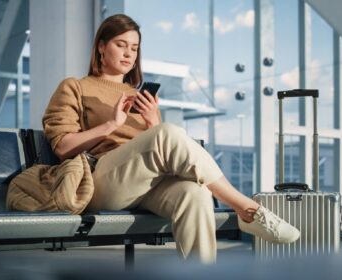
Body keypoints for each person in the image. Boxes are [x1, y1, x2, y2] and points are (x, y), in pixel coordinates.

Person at [42, 14, 299, 264]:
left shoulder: (139, 96)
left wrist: (153, 121)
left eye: (134, 48)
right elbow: (63, 147)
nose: (129, 53)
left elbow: (158, 148)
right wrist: (112, 124)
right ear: (101, 46)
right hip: (100, 181)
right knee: (168, 133)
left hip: (145, 184)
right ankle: (247, 208)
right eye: (120, 45)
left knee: (195, 194)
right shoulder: (75, 87)